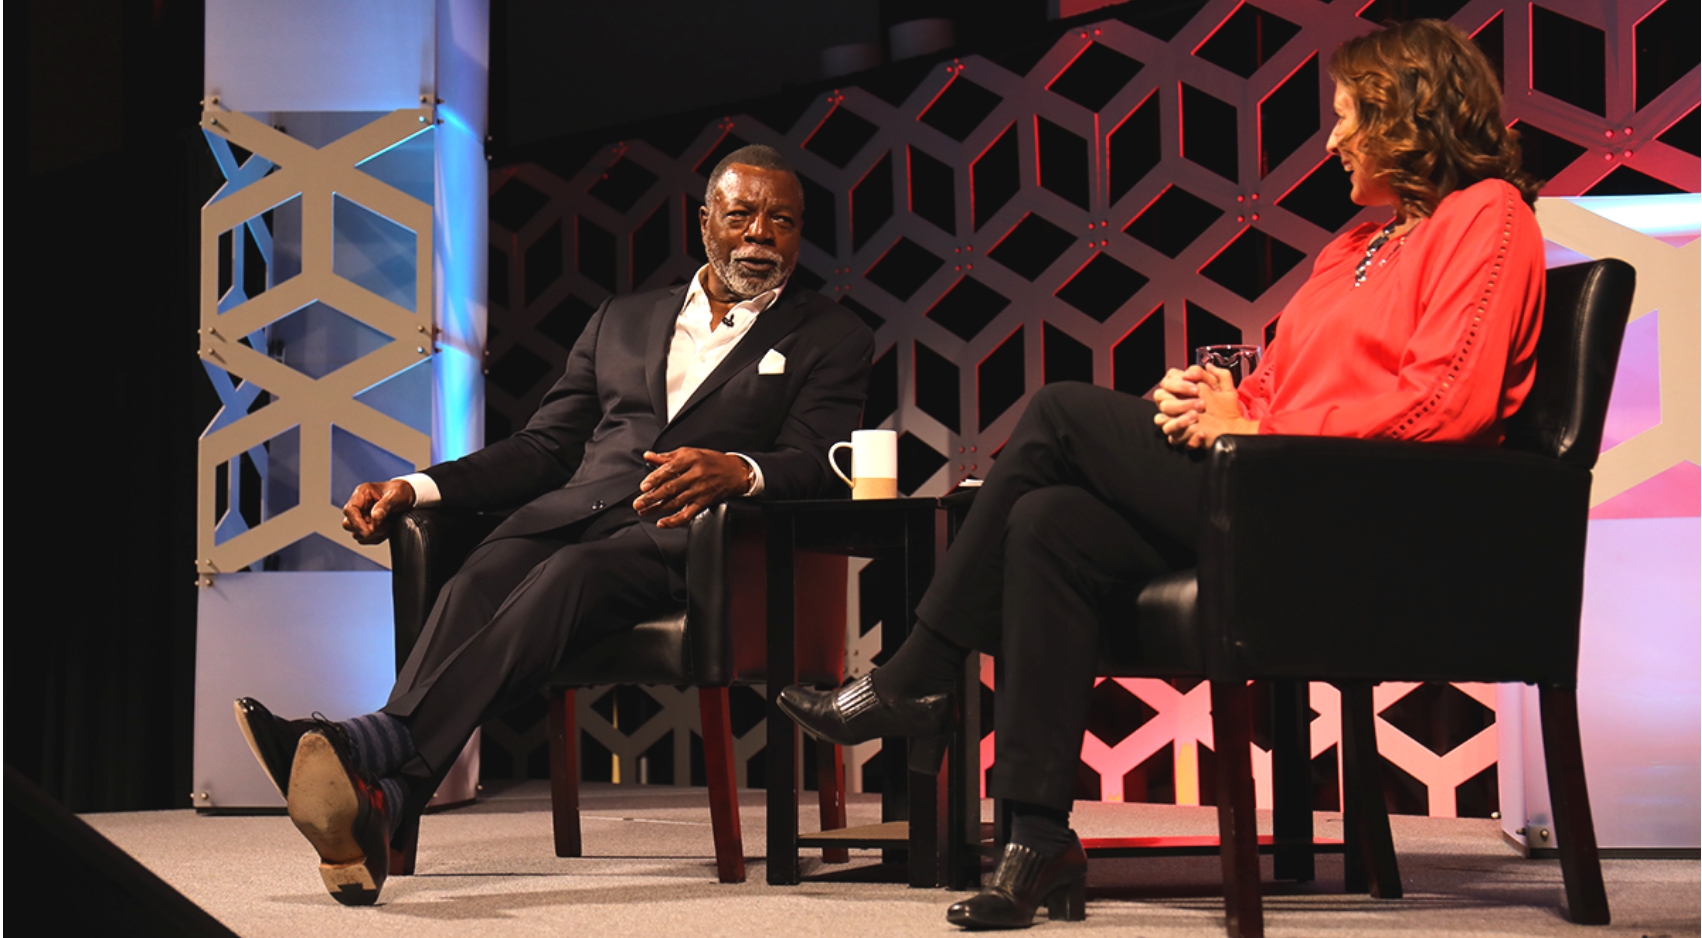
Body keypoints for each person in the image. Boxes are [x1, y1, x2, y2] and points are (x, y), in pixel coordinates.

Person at [779, 19, 1544, 930]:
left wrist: (1256, 424)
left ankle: (916, 675)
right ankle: (1036, 837)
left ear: (1407, 113)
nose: (1333, 139)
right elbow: (1279, 385)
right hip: (1277, 488)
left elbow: (1446, 406)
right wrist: (1220, 397)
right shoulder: (1351, 247)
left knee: (1061, 411)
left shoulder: (1488, 216)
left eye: (1348, 117)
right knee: (1047, 522)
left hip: (1359, 520)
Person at [235, 145, 874, 906]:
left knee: (568, 576)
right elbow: (543, 448)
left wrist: (741, 470)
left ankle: (373, 743)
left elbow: (819, 462)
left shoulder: (832, 336)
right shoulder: (622, 319)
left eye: (783, 221)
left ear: (801, 235)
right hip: (575, 514)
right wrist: (416, 487)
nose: (761, 234)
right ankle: (389, 796)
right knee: (480, 575)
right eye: (742, 214)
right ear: (705, 222)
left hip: (699, 545)